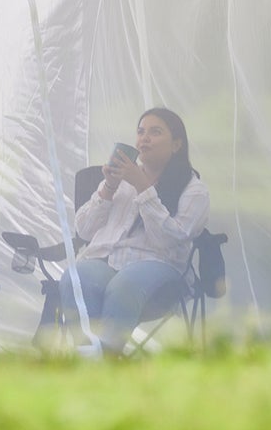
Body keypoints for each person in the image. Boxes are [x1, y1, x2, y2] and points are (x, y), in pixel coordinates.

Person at [65, 106, 209, 358]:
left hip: (159, 264)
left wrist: (142, 187)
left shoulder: (194, 190)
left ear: (176, 145)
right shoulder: (120, 180)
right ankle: (85, 356)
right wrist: (109, 187)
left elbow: (168, 241)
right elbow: (84, 230)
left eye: (155, 132)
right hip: (108, 260)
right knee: (76, 277)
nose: (145, 138)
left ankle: (107, 359)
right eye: (141, 132)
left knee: (125, 285)